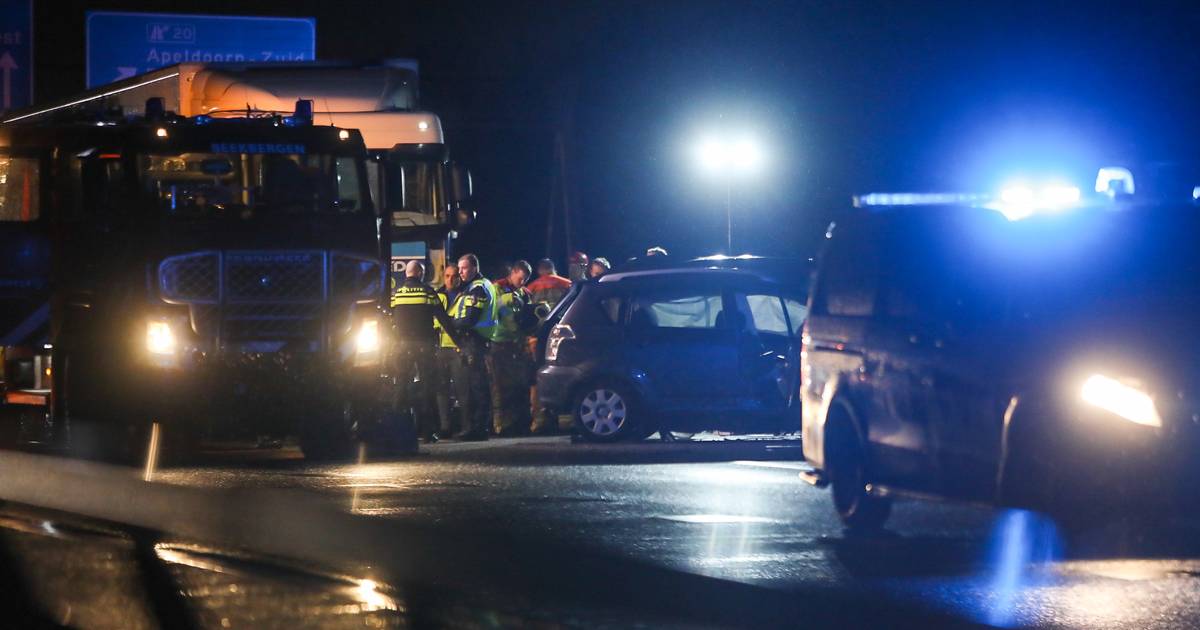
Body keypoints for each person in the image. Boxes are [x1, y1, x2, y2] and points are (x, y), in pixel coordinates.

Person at [389, 260, 455, 443]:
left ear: (407, 273)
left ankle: (396, 430)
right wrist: (458, 342)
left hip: (401, 346)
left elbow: (388, 319)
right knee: (427, 387)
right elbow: (443, 319)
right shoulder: (428, 292)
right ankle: (427, 432)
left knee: (400, 385)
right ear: (420, 273)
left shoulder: (397, 294)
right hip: (423, 345)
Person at [450, 253, 498, 441]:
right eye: (459, 268)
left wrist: (452, 323)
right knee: (478, 386)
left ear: (474, 268)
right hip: (479, 341)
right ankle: (479, 427)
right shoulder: (480, 285)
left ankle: (478, 429)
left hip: (475, 341)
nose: (460, 272)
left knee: (476, 387)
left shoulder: (477, 288)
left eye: (464, 268)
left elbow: (469, 318)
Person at [487, 260, 536, 436]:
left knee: (519, 385)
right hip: (499, 343)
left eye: (525, 280)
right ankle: (500, 425)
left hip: (517, 344)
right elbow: (495, 311)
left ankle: (519, 424)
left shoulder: (523, 293)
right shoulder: (496, 288)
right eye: (520, 278)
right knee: (500, 387)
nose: (521, 282)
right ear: (513, 272)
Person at [433, 264, 464, 438]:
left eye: (454, 276)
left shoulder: (465, 294)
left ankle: (462, 426)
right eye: (447, 276)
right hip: (440, 348)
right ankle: (445, 427)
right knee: (441, 390)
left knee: (461, 389)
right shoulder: (438, 296)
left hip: (457, 348)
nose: (450, 280)